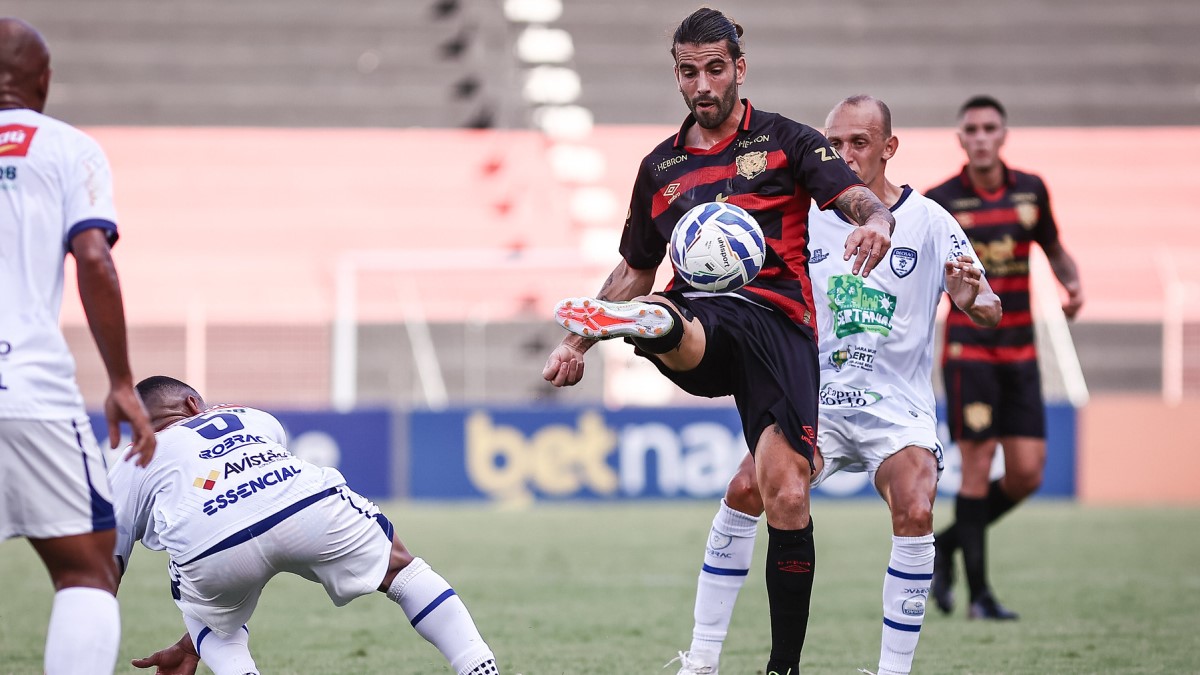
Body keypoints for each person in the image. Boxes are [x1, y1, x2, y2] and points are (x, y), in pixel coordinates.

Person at [541, 10, 895, 675]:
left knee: (786, 491)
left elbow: (851, 196)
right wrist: (577, 340)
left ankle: (782, 667)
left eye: (713, 68)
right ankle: (653, 326)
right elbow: (633, 268)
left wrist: (877, 217)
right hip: (702, 321)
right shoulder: (661, 167)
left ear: (738, 66)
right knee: (666, 308)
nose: (701, 84)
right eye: (687, 71)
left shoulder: (790, 141)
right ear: (676, 73)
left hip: (777, 323)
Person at [667, 95, 1001, 675]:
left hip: (895, 411)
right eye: (834, 143)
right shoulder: (797, 212)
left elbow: (989, 306)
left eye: (860, 143)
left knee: (917, 507)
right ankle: (700, 659)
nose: (843, 155)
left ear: (889, 148)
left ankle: (893, 671)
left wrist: (975, 300)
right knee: (749, 488)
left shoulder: (929, 219)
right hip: (811, 398)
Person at [111, 376, 498, 675]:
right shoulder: (250, 417)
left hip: (209, 543)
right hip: (303, 506)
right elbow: (262, 502)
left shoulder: (130, 462)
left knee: (209, 623)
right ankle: (479, 667)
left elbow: (106, 562)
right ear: (194, 404)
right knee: (402, 570)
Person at [0, 17, 156, 675]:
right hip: (26, 383)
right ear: (45, 79)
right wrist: (121, 379)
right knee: (88, 567)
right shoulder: (69, 148)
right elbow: (94, 255)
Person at [925, 95, 1084, 621]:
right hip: (969, 353)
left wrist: (1072, 282)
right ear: (961, 139)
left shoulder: (1031, 191)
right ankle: (980, 599)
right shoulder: (941, 202)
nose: (981, 136)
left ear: (1003, 134)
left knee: (1026, 474)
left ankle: (946, 545)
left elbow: (1053, 246)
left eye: (989, 127)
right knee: (975, 467)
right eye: (971, 128)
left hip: (1021, 352)